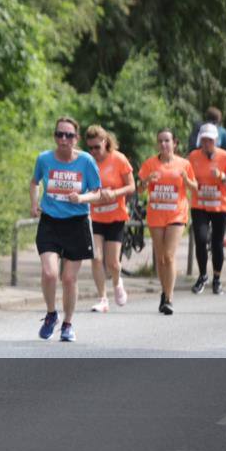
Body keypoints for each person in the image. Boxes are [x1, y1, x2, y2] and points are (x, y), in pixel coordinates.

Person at [30, 117, 101, 341]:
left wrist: (81, 198)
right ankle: (52, 314)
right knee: (50, 273)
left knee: (69, 278)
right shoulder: (44, 159)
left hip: (77, 223)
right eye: (60, 134)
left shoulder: (86, 161)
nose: (64, 139)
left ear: (76, 139)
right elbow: (34, 182)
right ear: (55, 136)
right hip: (50, 222)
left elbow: (98, 192)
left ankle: (68, 324)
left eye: (69, 135)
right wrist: (34, 203)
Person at [139, 129, 198, 315]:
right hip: (156, 214)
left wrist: (187, 179)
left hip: (176, 214)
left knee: (170, 255)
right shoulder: (150, 164)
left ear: (175, 144)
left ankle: (169, 298)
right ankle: (164, 292)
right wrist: (147, 180)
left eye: (167, 141)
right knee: (161, 256)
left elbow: (195, 187)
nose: (164, 144)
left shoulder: (184, 164)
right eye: (160, 141)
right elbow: (139, 189)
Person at [85, 125, 135, 313]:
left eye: (97, 147)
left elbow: (131, 187)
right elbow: (83, 187)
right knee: (96, 258)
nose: (93, 152)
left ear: (105, 143)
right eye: (90, 148)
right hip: (95, 216)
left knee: (112, 263)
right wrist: (96, 193)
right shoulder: (88, 162)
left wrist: (114, 193)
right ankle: (102, 298)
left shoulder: (119, 159)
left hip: (115, 217)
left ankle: (117, 282)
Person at [188, 123, 226, 295]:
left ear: (216, 140)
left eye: (210, 140)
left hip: (220, 206)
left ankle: (217, 278)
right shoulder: (193, 157)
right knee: (201, 239)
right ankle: (203, 276)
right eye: (204, 140)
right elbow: (188, 179)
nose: (207, 143)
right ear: (200, 141)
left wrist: (222, 177)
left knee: (217, 243)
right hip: (199, 205)